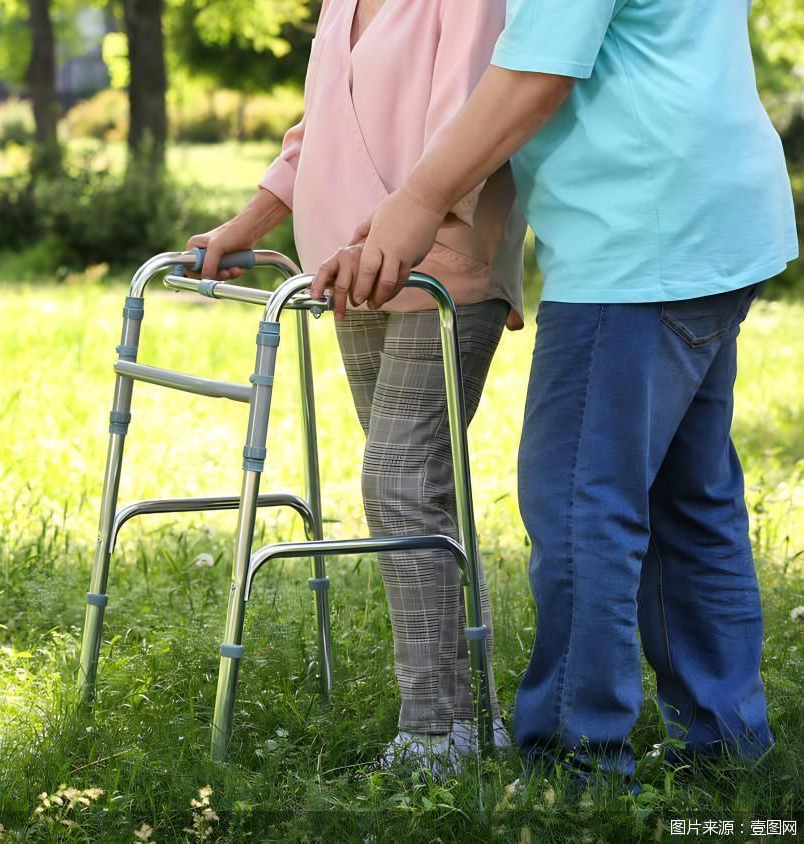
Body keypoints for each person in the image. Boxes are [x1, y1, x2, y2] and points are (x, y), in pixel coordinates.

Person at [310, 0, 798, 784]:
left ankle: (578, 765)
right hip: (716, 220)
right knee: (689, 498)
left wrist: (419, 200)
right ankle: (724, 747)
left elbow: (537, 72)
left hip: (636, 239)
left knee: (580, 505)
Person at [188, 0, 524, 772]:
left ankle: (436, 732)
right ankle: (471, 718)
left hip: (441, 268)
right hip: (345, 271)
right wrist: (245, 225)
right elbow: (317, 136)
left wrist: (388, 237)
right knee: (413, 496)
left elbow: (474, 114)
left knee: (400, 484)